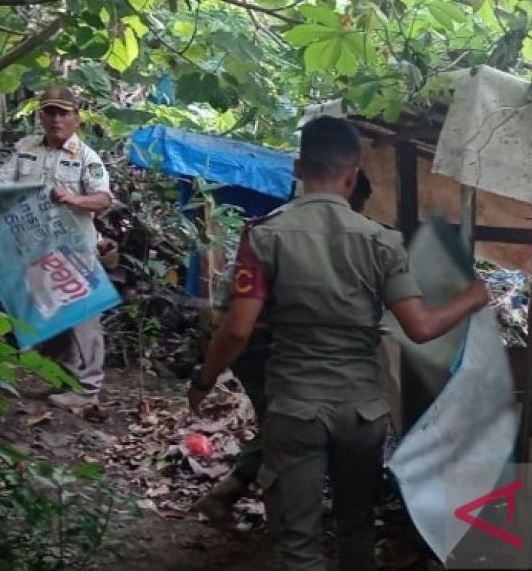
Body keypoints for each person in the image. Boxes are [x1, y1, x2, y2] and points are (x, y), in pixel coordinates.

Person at [187, 117, 489, 571]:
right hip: (361, 411)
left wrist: (204, 380)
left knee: (298, 539)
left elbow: (235, 330)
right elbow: (421, 327)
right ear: (352, 174)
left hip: (295, 408)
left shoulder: (265, 235)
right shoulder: (383, 242)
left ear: (296, 168)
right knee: (356, 525)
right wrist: (472, 297)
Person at [192, 169, 375, 528]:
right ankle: (275, 515)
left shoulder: (293, 225)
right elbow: (237, 327)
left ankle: (243, 501)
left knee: (284, 426)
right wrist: (205, 377)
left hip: (267, 342)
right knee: (289, 427)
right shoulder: (294, 232)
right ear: (348, 192)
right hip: (263, 344)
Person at [0, 85, 112, 409]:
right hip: (34, 248)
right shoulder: (25, 149)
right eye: (50, 112)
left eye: (63, 112)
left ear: (76, 118)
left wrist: (75, 198)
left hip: (73, 251)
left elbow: (103, 199)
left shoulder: (87, 157)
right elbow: (1, 185)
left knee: (83, 319)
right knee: (54, 319)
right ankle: (65, 381)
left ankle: (88, 391)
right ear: (41, 115)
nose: (56, 119)